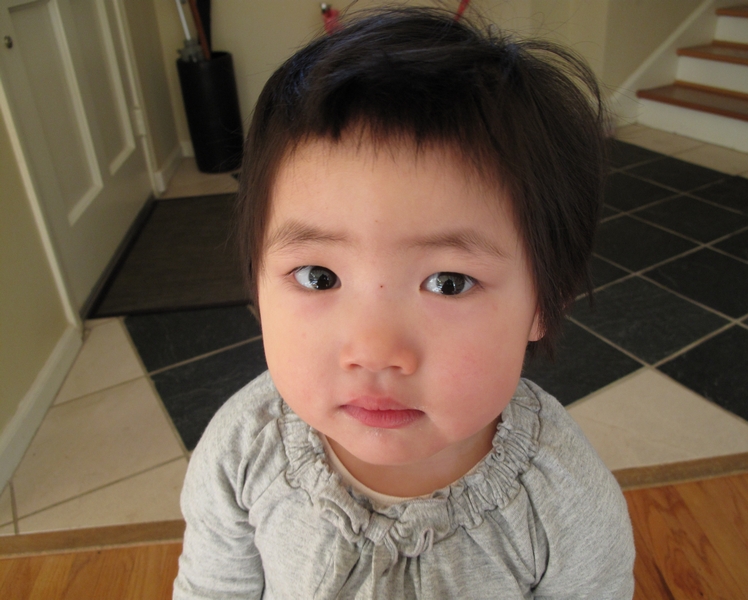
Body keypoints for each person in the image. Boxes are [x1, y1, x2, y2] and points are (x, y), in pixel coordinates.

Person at [174, 7, 635, 599]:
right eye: (318, 277)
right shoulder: (243, 450)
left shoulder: (564, 500)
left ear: (545, 302)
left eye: (448, 282)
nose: (374, 351)